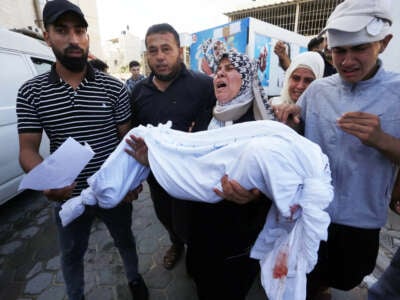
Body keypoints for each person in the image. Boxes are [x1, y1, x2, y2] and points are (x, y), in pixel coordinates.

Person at [15, 1, 148, 299]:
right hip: (68, 196)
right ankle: (76, 295)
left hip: (114, 190)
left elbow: (128, 141)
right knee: (71, 252)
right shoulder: (31, 92)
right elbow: (27, 149)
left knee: (125, 239)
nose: (74, 39)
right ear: (47, 37)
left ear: (87, 36)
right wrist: (46, 180)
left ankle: (134, 278)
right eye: (62, 31)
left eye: (80, 31)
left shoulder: (114, 88)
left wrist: (132, 181)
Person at [272, 0, 400, 299]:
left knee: (349, 275)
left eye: (360, 48)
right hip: (310, 213)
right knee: (306, 272)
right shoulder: (318, 90)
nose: (347, 60)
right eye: (340, 51)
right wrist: (289, 120)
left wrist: (383, 140)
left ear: (383, 43)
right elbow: (297, 136)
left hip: (361, 218)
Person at [130, 23, 217, 271]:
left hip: (196, 174)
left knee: (196, 220)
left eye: (166, 49)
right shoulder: (138, 93)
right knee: (166, 216)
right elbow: (135, 135)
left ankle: (197, 253)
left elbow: (220, 122)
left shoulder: (203, 85)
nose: (159, 57)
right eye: (153, 50)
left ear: (179, 50)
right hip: (158, 176)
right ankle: (176, 243)